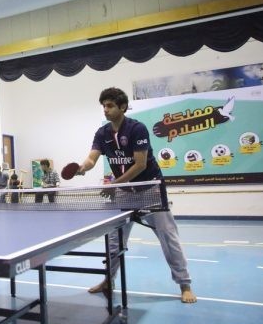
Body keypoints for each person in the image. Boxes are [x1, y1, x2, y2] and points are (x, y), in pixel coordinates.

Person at [77, 87, 197, 304]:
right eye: (103, 106)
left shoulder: (137, 128)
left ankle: (185, 284)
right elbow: (92, 158)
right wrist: (82, 167)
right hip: (124, 193)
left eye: (110, 105)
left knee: (168, 237)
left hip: (149, 188)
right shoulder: (102, 133)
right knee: (114, 241)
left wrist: (114, 184)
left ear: (122, 107)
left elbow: (140, 165)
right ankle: (108, 280)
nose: (105, 109)